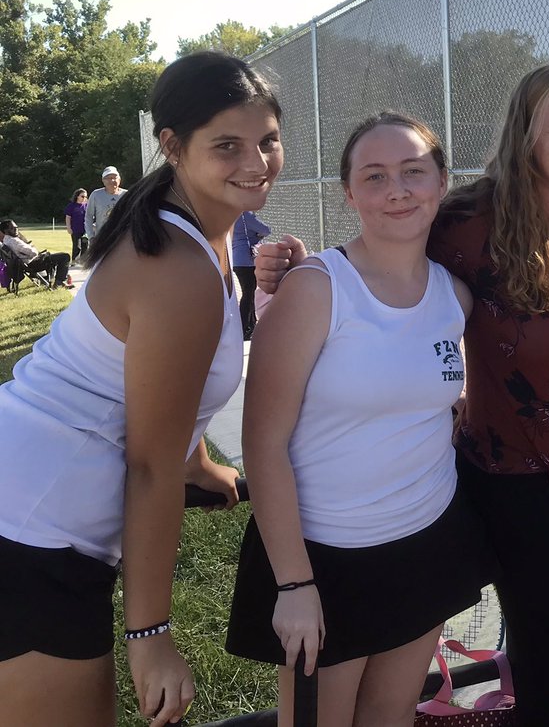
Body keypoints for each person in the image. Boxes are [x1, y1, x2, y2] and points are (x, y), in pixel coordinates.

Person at [257, 63, 549, 727]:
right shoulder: (470, 224)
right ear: (525, 136)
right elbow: (384, 252)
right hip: (524, 481)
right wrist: (293, 273)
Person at [0, 50, 278, 726]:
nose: (257, 162)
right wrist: (151, 637)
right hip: (29, 531)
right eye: (228, 146)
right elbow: (150, 465)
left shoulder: (199, 239)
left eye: (267, 140)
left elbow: (166, 415)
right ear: (173, 147)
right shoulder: (178, 267)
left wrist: (203, 467)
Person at [226, 112, 489, 727]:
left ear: (442, 182)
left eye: (413, 172)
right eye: (375, 176)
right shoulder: (317, 289)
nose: (397, 189)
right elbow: (263, 444)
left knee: (392, 714)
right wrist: (293, 584)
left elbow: (445, 394)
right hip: (326, 560)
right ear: (350, 193)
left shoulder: (457, 294)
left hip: (426, 543)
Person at [232, 210, 271, 339]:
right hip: (247, 260)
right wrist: (257, 236)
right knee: (248, 295)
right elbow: (266, 230)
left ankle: (251, 325)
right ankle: (243, 328)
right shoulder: (245, 215)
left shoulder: (230, 215)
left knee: (248, 293)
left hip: (236, 259)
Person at [1, 219, 73, 289]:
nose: (16, 230)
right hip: (34, 263)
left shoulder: (6, 240)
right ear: (5, 231)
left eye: (16, 227)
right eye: (12, 228)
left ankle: (51, 280)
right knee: (65, 257)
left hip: (28, 264)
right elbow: (33, 253)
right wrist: (32, 248)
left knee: (50, 256)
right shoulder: (14, 241)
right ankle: (59, 283)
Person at [86, 165, 126, 241]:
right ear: (103, 180)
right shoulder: (96, 195)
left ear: (119, 180)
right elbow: (88, 216)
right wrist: (91, 236)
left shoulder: (126, 195)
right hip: (102, 237)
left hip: (121, 238)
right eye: (109, 178)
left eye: (115, 178)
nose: (112, 181)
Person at [65, 189, 90, 263]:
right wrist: (68, 228)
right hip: (75, 229)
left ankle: (83, 261)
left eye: (85, 196)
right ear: (77, 196)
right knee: (77, 246)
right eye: (82, 196)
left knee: (85, 245)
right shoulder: (71, 206)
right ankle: (74, 261)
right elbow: (68, 217)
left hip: (85, 230)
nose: (84, 198)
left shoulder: (87, 206)